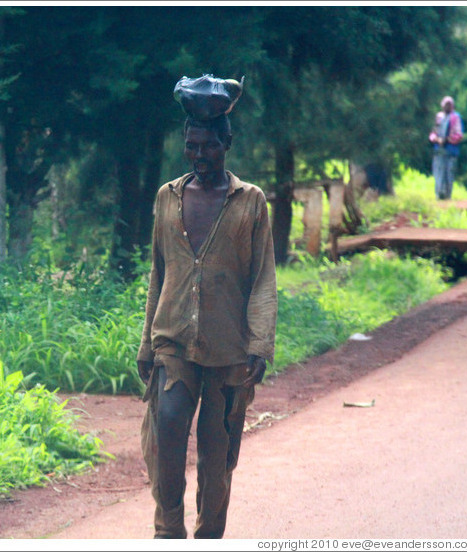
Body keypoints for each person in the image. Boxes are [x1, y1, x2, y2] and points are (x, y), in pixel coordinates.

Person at [138, 75, 277, 539]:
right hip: (173, 341)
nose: (199, 156)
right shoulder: (167, 197)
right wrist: (146, 345)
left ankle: (209, 536)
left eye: (208, 147)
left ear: (227, 143)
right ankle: (168, 532)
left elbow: (262, 279)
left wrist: (259, 343)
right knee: (168, 431)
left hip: (228, 350)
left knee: (217, 456)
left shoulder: (250, 202)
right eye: (191, 145)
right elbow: (159, 274)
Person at [428, 96, 464, 200]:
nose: (447, 106)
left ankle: (447, 195)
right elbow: (433, 132)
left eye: (449, 104)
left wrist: (447, 140)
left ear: (452, 106)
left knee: (449, 173)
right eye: (445, 104)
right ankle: (439, 193)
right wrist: (436, 139)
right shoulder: (439, 116)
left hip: (451, 151)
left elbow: (459, 134)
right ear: (442, 105)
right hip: (438, 150)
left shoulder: (456, 117)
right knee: (438, 172)